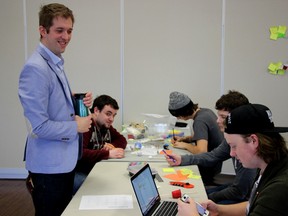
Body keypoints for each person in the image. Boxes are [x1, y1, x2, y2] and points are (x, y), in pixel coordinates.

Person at [18, 3, 92, 216]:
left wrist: (72, 99)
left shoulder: (53, 61)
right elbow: (39, 126)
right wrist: (76, 126)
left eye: (69, 31)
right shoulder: (35, 68)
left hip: (63, 163)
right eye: (59, 30)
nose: (66, 37)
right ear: (43, 30)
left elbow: (50, 102)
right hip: (49, 168)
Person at [177, 103, 288, 216]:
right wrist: (219, 210)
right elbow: (252, 205)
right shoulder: (270, 164)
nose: (231, 153)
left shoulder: (278, 189)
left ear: (254, 141)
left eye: (234, 146)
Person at [166, 90, 257, 204]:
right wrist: (182, 159)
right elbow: (212, 156)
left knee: (200, 200)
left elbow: (240, 192)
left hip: (248, 200)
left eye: (223, 117)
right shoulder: (232, 139)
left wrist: (207, 199)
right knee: (198, 195)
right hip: (240, 189)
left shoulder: (248, 146)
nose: (217, 121)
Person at [73, 95, 127, 194]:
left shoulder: (105, 126)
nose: (111, 119)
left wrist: (111, 146)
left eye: (114, 115)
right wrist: (108, 154)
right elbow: (81, 153)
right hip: (79, 172)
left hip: (95, 169)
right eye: (108, 114)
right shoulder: (86, 125)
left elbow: (122, 139)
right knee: (105, 189)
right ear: (97, 111)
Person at [168, 91, 224, 185]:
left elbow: (202, 152)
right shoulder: (206, 111)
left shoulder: (199, 121)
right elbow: (204, 135)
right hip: (216, 163)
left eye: (177, 116)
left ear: (182, 112)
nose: (178, 119)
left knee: (176, 168)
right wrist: (186, 139)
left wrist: (185, 145)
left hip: (208, 166)